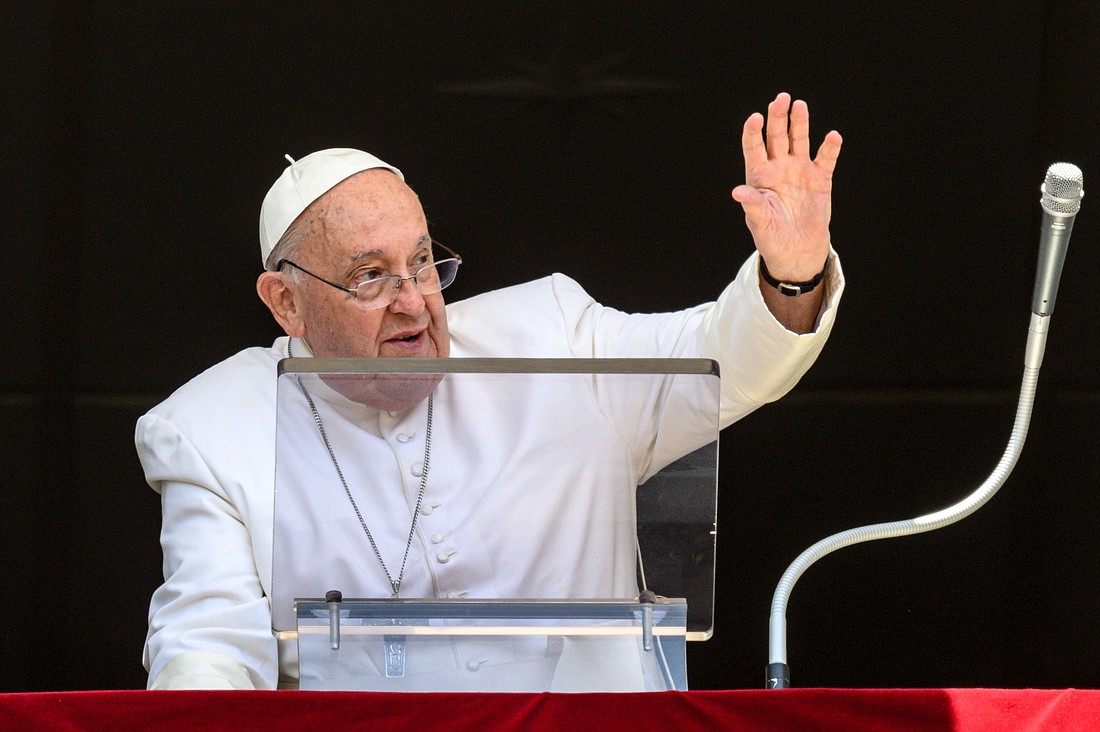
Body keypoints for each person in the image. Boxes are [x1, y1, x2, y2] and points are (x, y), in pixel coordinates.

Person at [136, 92, 845, 690]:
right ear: (285, 303)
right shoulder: (211, 428)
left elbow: (722, 359)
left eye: (421, 262)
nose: (414, 302)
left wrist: (794, 273)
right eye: (369, 277)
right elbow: (205, 652)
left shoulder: (551, 332)